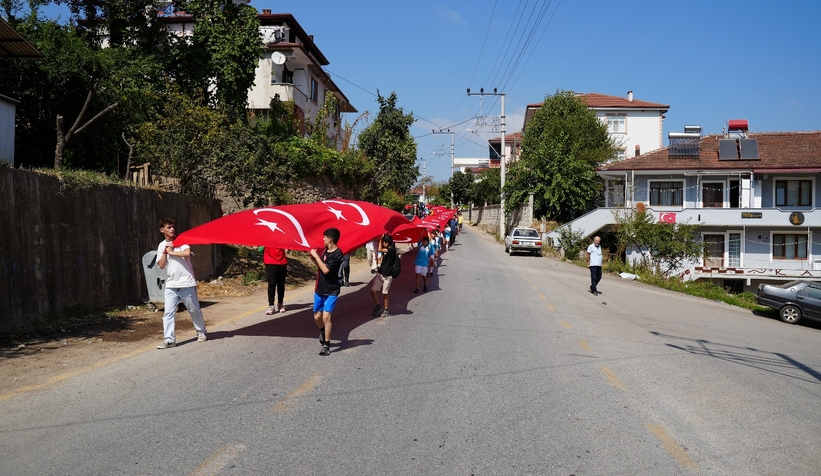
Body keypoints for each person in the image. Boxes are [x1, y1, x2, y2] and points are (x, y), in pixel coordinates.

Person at [156, 218, 207, 349]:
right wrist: (165, 251)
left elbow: (187, 252)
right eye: (168, 227)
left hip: (186, 282)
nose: (172, 229)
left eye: (173, 227)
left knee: (193, 309)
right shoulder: (162, 245)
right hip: (171, 284)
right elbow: (161, 265)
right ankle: (169, 339)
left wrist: (172, 251)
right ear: (162, 230)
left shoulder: (182, 240)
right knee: (168, 312)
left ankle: (201, 332)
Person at [309, 228, 343, 356]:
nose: (322, 239)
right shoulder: (325, 251)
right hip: (320, 289)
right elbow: (320, 266)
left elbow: (326, 270)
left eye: (324, 237)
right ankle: (323, 331)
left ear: (330, 238)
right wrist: (313, 258)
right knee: (317, 317)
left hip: (332, 290)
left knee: (326, 316)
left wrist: (317, 256)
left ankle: (326, 345)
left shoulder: (338, 254)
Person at [370, 235, 397, 317]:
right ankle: (378, 306)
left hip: (388, 276)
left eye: (383, 242)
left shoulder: (392, 250)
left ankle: (386, 310)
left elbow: (380, 249)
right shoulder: (386, 250)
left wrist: (381, 239)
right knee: (373, 291)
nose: (382, 243)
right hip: (381, 273)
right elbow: (379, 253)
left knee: (384, 293)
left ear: (387, 243)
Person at [263, 247, 288, 315]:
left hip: (282, 261)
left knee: (281, 284)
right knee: (271, 284)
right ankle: (271, 306)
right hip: (270, 260)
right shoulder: (267, 236)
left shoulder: (283, 236)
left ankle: (280, 303)